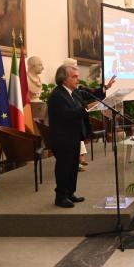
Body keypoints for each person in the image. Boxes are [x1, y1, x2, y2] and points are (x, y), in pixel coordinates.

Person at [48, 65, 88, 208]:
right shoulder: (57, 95)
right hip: (62, 138)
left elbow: (87, 97)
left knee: (72, 167)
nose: (78, 79)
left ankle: (70, 193)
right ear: (64, 79)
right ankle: (60, 197)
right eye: (74, 76)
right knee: (64, 168)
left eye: (77, 76)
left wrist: (104, 89)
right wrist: (86, 109)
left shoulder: (74, 92)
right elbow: (67, 115)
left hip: (74, 136)